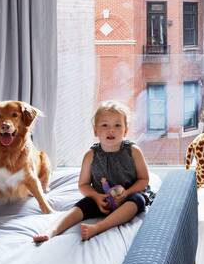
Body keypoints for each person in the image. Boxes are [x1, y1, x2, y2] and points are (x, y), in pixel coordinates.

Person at [34, 101, 154, 243]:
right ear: (95, 130)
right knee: (81, 205)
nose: (111, 130)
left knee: (137, 201)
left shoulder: (133, 151)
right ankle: (53, 230)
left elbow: (144, 179)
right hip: (102, 199)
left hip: (128, 196)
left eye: (117, 125)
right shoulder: (91, 155)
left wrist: (127, 193)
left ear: (125, 130)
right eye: (105, 125)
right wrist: (96, 196)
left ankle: (99, 227)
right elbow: (83, 185)